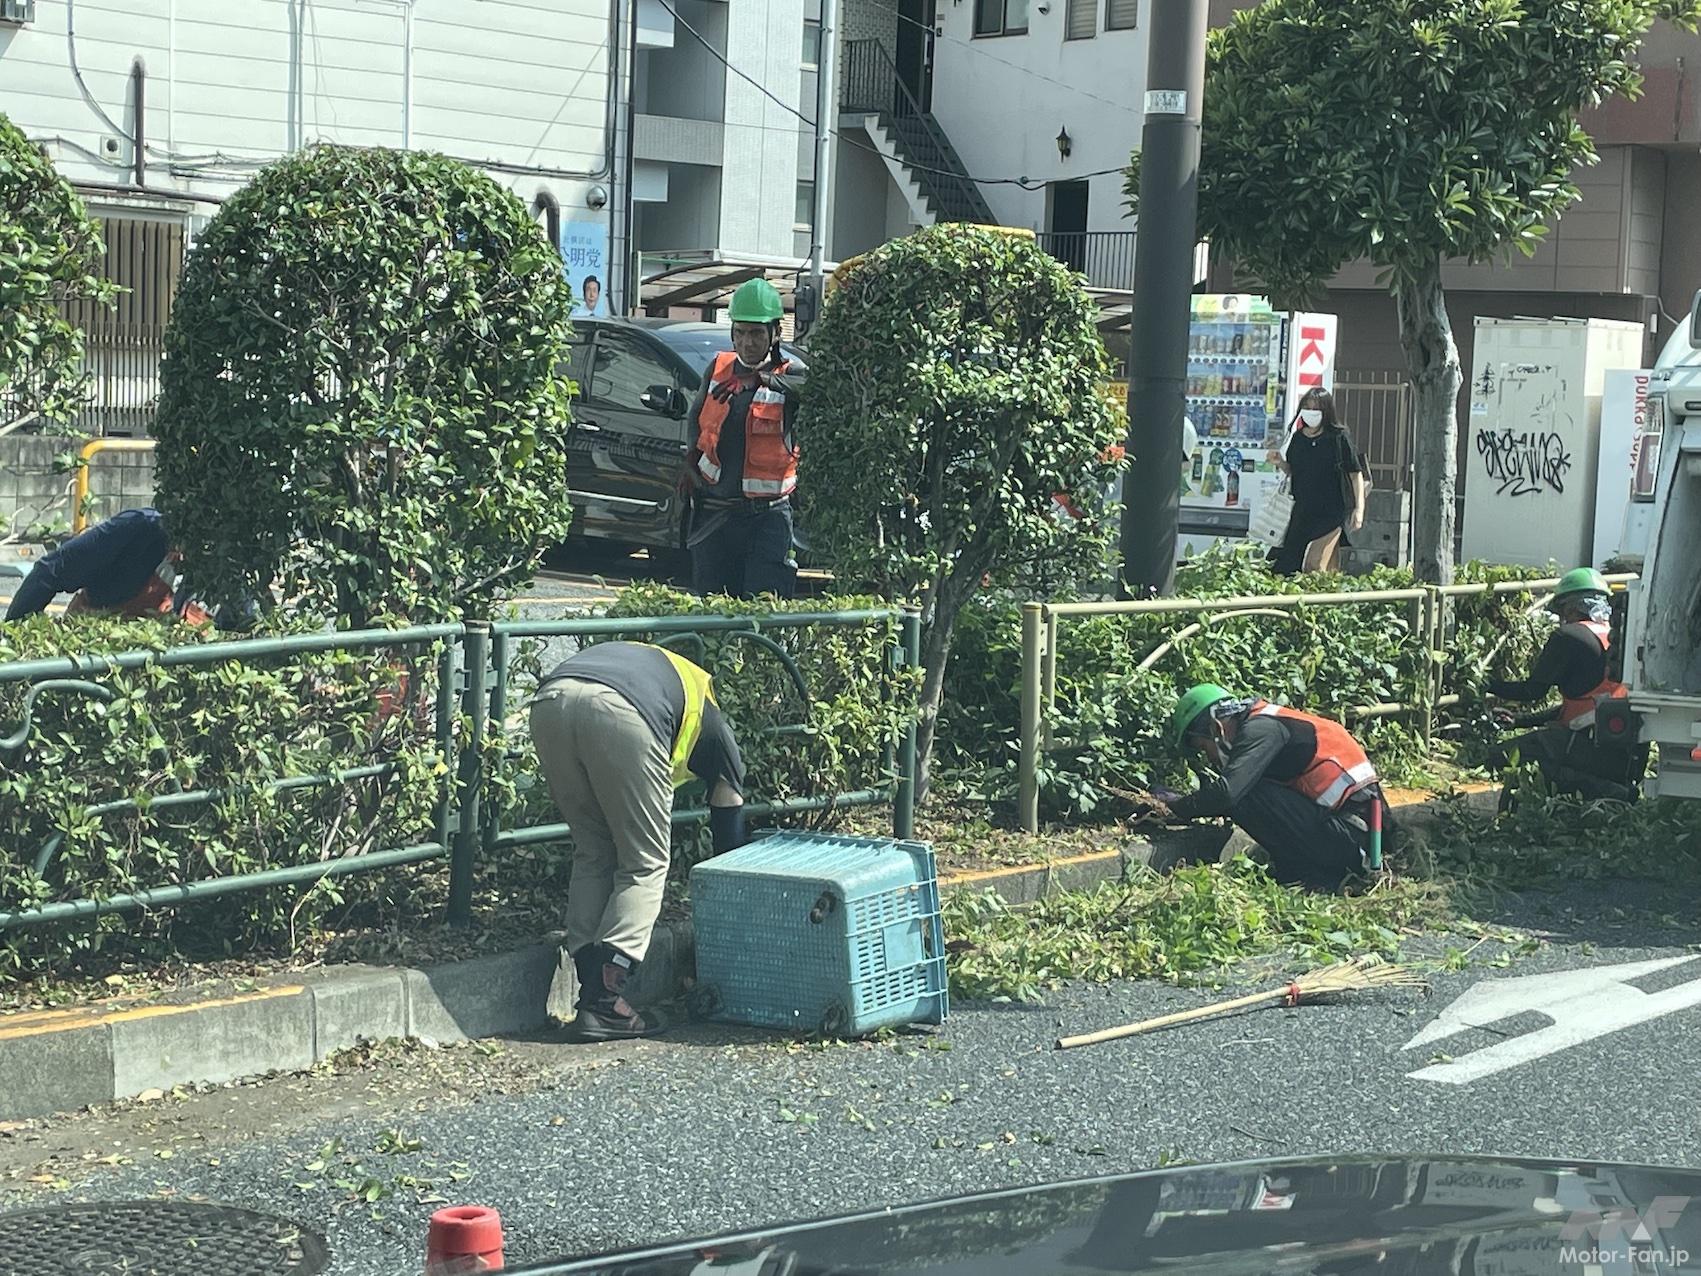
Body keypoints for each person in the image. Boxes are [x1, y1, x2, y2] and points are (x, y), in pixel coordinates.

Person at [529, 640, 751, 1041]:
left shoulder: (665, 671)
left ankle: (591, 988)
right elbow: (728, 800)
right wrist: (730, 889)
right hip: (623, 712)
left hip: (551, 700)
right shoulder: (713, 721)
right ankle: (605, 1000)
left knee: (593, 850)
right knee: (644, 862)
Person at [1157, 683, 1393, 891]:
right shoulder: (1269, 721)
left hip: (1355, 841)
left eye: (1203, 748)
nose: (1209, 758)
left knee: (1244, 793)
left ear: (1215, 728)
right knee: (1246, 787)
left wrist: (1174, 807)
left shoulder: (1261, 730)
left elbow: (1227, 793)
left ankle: (1309, 874)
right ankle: (1304, 872)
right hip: (1358, 833)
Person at [685, 277, 806, 599]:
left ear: (775, 333)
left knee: (763, 607)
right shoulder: (718, 367)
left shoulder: (791, 374)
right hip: (716, 514)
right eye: (740, 332)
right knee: (711, 607)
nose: (747, 342)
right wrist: (690, 461)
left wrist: (758, 379)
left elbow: (813, 389)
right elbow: (695, 418)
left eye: (756, 333)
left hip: (767, 518)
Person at [1485, 567, 1647, 804]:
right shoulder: (1617, 638)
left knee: (1498, 757)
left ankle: (1609, 792)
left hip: (1587, 747)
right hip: (1626, 758)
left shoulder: (1567, 637)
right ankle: (1609, 790)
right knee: (1542, 749)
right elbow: (1584, 708)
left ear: (1570, 607)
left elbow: (1533, 691)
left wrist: (1488, 684)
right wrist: (1520, 721)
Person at [3, 507, 205, 623]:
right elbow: (49, 573)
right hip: (94, 648)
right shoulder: (138, 528)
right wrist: (15, 644)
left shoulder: (217, 556)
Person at [1268, 388, 1369, 575]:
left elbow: (1355, 474)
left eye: (1316, 409)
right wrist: (1280, 462)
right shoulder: (1298, 438)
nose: (1311, 412)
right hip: (1302, 510)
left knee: (1314, 564)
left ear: (1326, 411)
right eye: (1307, 407)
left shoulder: (1338, 437)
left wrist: (1359, 509)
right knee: (1288, 564)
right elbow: (1294, 471)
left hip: (1331, 512)